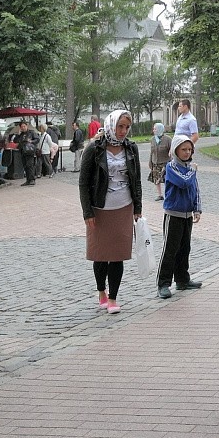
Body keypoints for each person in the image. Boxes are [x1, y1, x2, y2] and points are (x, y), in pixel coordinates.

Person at [78, 110, 142, 315]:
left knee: (117, 254)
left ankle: (113, 297)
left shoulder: (131, 148)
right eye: (120, 126)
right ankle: (101, 291)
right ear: (111, 125)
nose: (123, 131)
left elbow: (136, 179)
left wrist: (138, 207)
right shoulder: (94, 148)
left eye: (127, 127)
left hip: (123, 207)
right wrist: (87, 212)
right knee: (100, 254)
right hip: (99, 208)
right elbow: (83, 182)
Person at [157, 133, 203, 299]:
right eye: (184, 149)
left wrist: (197, 209)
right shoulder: (171, 167)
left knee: (185, 248)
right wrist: (193, 171)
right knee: (170, 249)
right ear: (176, 150)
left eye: (190, 149)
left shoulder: (190, 168)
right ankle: (163, 283)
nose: (187, 152)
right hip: (173, 214)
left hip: (187, 215)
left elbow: (195, 188)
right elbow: (184, 182)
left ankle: (182, 279)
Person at [12, 120, 39, 187]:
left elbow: (37, 139)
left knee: (30, 165)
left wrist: (31, 141)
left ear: (26, 126)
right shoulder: (21, 134)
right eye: (22, 127)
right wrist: (18, 135)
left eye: (24, 126)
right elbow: (15, 141)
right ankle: (28, 180)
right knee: (25, 166)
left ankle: (32, 179)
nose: (23, 128)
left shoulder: (31, 132)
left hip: (30, 151)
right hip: (23, 151)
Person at [148, 122, 168, 201]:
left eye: (155, 129)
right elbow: (151, 152)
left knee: (166, 179)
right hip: (155, 162)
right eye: (153, 129)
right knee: (156, 179)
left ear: (160, 129)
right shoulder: (153, 139)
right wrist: (150, 162)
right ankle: (160, 195)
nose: (153, 130)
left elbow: (172, 151)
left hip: (165, 163)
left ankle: (168, 194)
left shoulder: (167, 139)